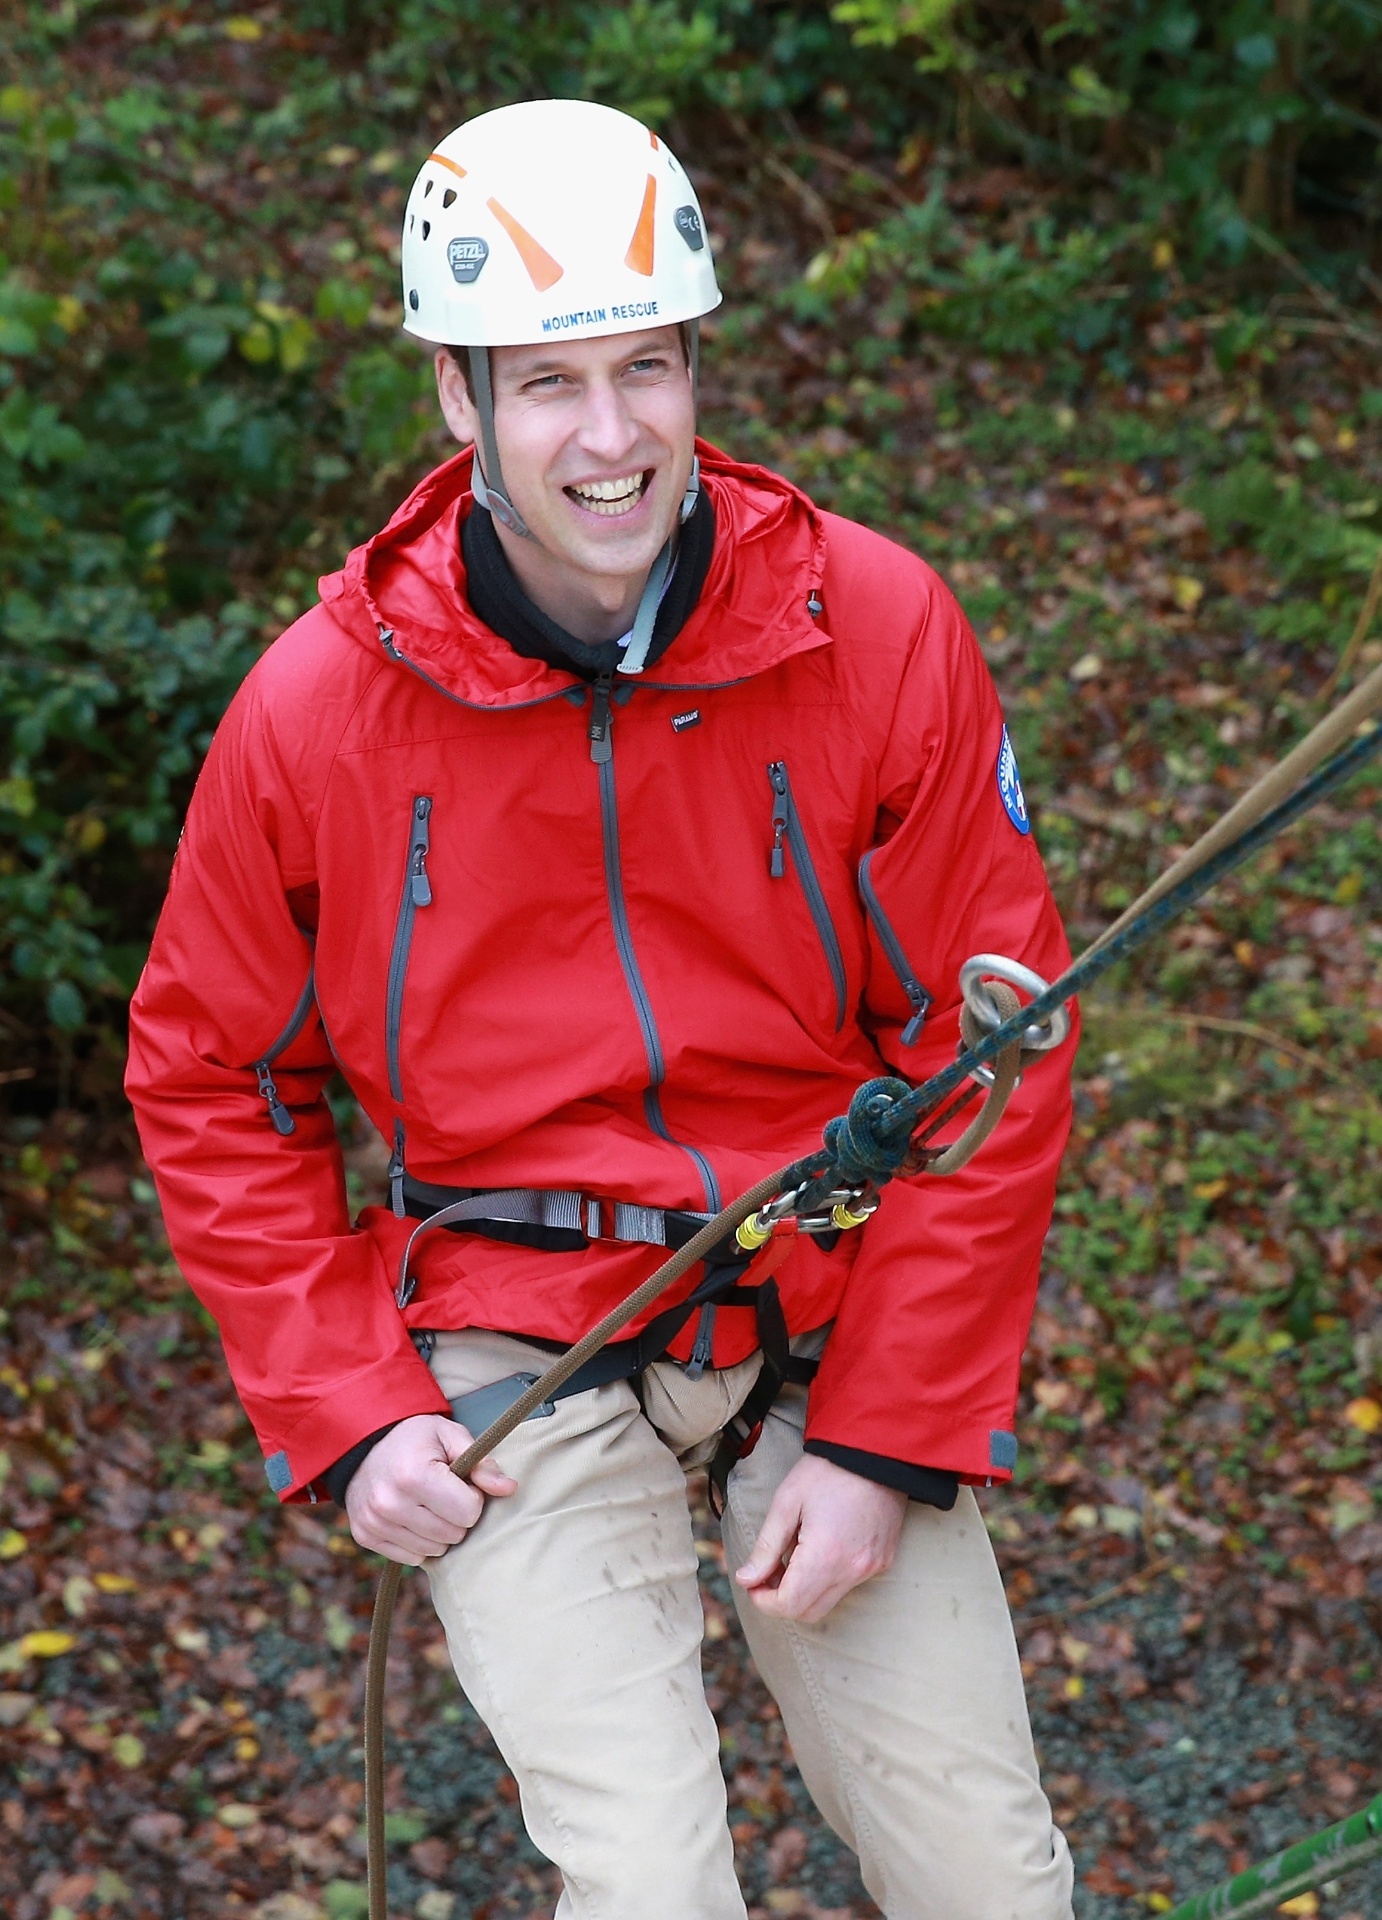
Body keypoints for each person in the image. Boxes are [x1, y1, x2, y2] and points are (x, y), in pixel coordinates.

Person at [126, 98, 1078, 1920]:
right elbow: (207, 1074)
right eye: (548, 383)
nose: (612, 434)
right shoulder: (320, 713)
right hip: (509, 1324)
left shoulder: (867, 632)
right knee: (649, 1886)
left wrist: (882, 1439)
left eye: (647, 368)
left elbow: (991, 1049)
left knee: (985, 1873)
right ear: (456, 402)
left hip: (820, 1285)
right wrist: (346, 1401)